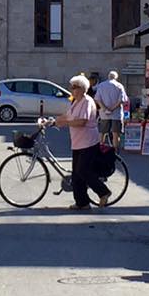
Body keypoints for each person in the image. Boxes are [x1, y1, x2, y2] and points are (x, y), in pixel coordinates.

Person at [54, 74, 111, 210]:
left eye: (75, 87)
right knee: (76, 174)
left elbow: (81, 121)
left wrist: (65, 122)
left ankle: (103, 192)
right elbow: (68, 116)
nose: (72, 89)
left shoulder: (86, 101)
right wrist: (53, 120)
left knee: (83, 171)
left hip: (88, 142)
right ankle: (82, 202)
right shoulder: (76, 102)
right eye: (72, 87)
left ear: (82, 89)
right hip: (78, 142)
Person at [94, 70, 129, 151]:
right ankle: (115, 150)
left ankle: (100, 148)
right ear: (116, 77)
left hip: (104, 114)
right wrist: (112, 108)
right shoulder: (119, 86)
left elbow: (97, 99)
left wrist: (104, 108)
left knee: (102, 132)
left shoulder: (101, 85)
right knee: (116, 133)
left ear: (108, 76)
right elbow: (122, 100)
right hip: (116, 114)